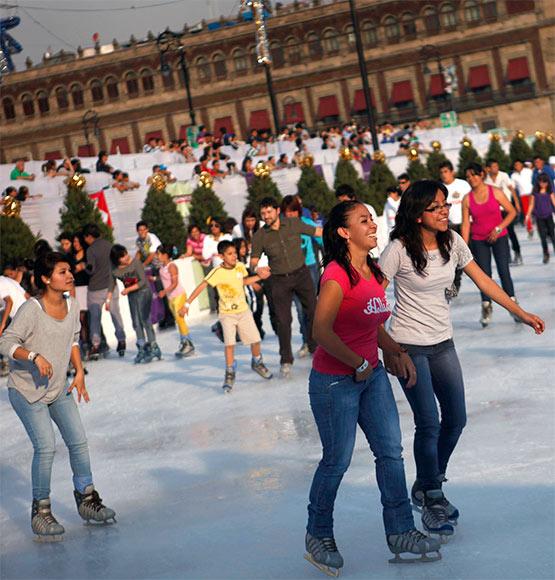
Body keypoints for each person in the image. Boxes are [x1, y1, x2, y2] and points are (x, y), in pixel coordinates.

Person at [379, 180, 545, 543]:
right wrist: (387, 346)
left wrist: (520, 312)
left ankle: (426, 484)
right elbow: (372, 296)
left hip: (442, 343)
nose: (444, 211)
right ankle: (433, 496)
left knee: (456, 418)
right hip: (409, 346)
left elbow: (484, 281)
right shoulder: (398, 249)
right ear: (417, 213)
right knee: (429, 422)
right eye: (436, 207)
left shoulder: (452, 242)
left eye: (445, 205)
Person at [305, 200, 441, 576]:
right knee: (337, 461)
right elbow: (320, 332)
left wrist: (393, 350)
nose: (372, 224)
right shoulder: (336, 274)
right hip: (335, 382)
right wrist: (358, 363)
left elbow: (369, 321)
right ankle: (318, 534)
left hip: (372, 376)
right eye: (362, 220)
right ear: (344, 232)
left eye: (371, 218)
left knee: (390, 453)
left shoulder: (373, 270)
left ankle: (400, 531)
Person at [0, 251, 115, 542]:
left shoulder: (72, 304)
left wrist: (78, 371)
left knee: (78, 442)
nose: (70, 275)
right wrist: (34, 356)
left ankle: (87, 499)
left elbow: (73, 339)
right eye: (63, 272)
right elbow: (6, 342)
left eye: (69, 270)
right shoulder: (32, 309)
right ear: (45, 278)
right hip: (26, 391)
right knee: (46, 447)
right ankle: (41, 512)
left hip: (57, 388)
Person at [181, 240, 273, 393]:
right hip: (227, 314)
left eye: (235, 253)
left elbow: (243, 281)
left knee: (255, 340)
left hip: (243, 311)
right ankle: (229, 372)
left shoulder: (240, 267)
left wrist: (259, 277)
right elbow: (202, 286)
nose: (234, 256)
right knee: (229, 344)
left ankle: (257, 362)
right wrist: (187, 304)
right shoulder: (217, 272)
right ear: (222, 256)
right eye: (230, 254)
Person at [251, 197, 323, 378]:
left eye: (269, 212)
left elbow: (318, 232)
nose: (266, 216)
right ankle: (286, 359)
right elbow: (253, 261)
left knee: (313, 312)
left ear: (276, 211)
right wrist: (257, 269)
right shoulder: (260, 235)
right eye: (263, 214)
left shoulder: (293, 223)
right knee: (283, 321)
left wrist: (342, 233)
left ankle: (317, 349)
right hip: (279, 280)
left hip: (302, 274)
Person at [462, 163, 520, 327]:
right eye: (468, 176)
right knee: (483, 275)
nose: (471, 179)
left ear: (482, 175)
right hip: (479, 240)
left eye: (474, 175)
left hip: (499, 237)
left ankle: (514, 307)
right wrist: (463, 248)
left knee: (504, 270)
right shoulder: (467, 199)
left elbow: (512, 211)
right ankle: (486, 307)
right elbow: (466, 224)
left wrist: (499, 227)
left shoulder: (495, 191)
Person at [281, 195, 323, 358]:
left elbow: (322, 239)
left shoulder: (307, 223)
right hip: (291, 271)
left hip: (309, 267)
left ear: (298, 211)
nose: (290, 215)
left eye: (293, 211)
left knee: (312, 308)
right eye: (287, 212)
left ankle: (319, 341)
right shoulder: (281, 228)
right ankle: (307, 340)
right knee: (299, 310)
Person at [109, 245, 160, 364]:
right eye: (122, 257)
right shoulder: (115, 270)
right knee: (136, 322)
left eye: (126, 254)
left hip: (143, 292)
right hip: (132, 296)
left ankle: (153, 346)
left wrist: (128, 289)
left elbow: (143, 281)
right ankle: (142, 347)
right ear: (117, 260)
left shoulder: (135, 263)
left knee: (145, 320)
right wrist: (108, 299)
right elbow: (111, 284)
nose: (126, 257)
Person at [82, 224, 126, 359]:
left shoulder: (90, 250)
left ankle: (95, 345)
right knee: (115, 314)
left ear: (89, 236)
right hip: (110, 286)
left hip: (95, 288)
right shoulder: (110, 246)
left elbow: (91, 269)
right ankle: (121, 340)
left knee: (95, 318)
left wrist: (84, 267)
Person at [156, 245, 195, 357]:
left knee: (180, 319)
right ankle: (185, 342)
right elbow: (165, 279)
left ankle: (187, 343)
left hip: (178, 295)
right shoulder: (162, 268)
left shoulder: (172, 266)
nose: (157, 256)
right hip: (171, 298)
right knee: (178, 320)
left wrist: (164, 291)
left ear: (165, 255)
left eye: (158, 254)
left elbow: (174, 283)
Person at [439, 160, 471, 292]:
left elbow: (471, 202)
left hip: (466, 224)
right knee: (452, 257)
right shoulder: (440, 188)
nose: (443, 175)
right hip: (449, 226)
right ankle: (454, 283)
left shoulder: (463, 185)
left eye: (446, 171)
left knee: (467, 255)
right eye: (441, 172)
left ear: (452, 172)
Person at [485, 159, 522, 264]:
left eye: (497, 166)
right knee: (500, 233)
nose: (496, 169)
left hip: (506, 208)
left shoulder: (504, 175)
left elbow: (512, 189)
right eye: (493, 167)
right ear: (488, 169)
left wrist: (517, 203)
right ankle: (507, 255)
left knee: (511, 232)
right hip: (495, 210)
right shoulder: (486, 179)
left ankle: (517, 252)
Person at [526, 173, 555, 263]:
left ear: (547, 183)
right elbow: (531, 204)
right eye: (541, 182)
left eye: (544, 182)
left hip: (549, 216)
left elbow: (554, 202)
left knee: (552, 235)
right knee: (542, 236)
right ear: (538, 182)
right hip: (539, 217)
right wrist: (527, 215)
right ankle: (546, 253)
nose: (542, 184)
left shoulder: (549, 192)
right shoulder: (535, 193)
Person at [72, 232, 90, 355]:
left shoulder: (88, 254)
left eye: (78, 241)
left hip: (88, 287)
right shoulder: (71, 256)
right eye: (74, 242)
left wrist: (84, 266)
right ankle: (84, 343)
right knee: (81, 318)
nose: (76, 244)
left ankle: (93, 342)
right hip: (76, 288)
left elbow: (92, 269)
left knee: (89, 317)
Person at [511, 159, 534, 236]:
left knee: (538, 209)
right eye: (516, 165)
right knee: (526, 212)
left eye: (519, 164)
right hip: (523, 195)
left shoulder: (528, 171)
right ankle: (530, 229)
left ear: (522, 165)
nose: (517, 166)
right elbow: (512, 187)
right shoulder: (513, 176)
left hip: (532, 193)